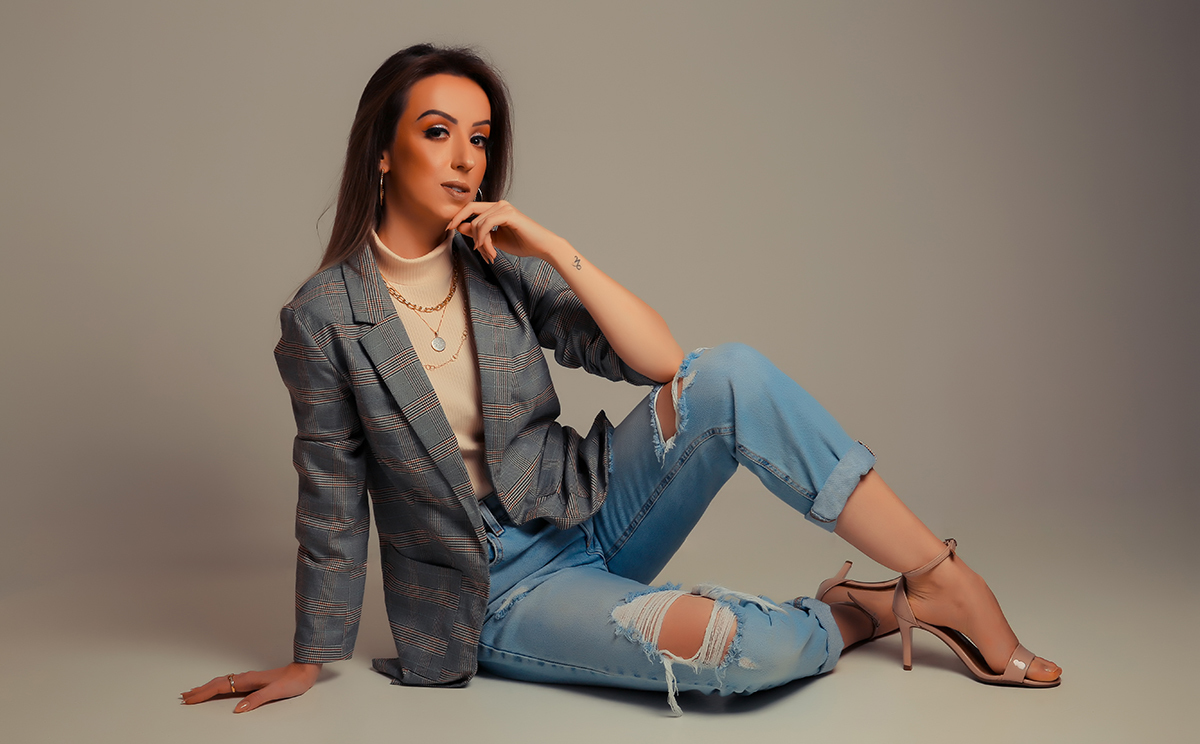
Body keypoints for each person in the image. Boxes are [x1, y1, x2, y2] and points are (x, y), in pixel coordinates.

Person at [182, 43, 1061, 716]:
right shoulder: (326, 316)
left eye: (479, 139)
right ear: (383, 150)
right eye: (437, 132)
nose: (464, 159)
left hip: (596, 509)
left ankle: (940, 577)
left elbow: (662, 363)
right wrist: (310, 657)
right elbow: (332, 498)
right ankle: (860, 613)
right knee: (734, 654)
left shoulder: (497, 264)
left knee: (730, 373)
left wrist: (551, 245)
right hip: (499, 591)